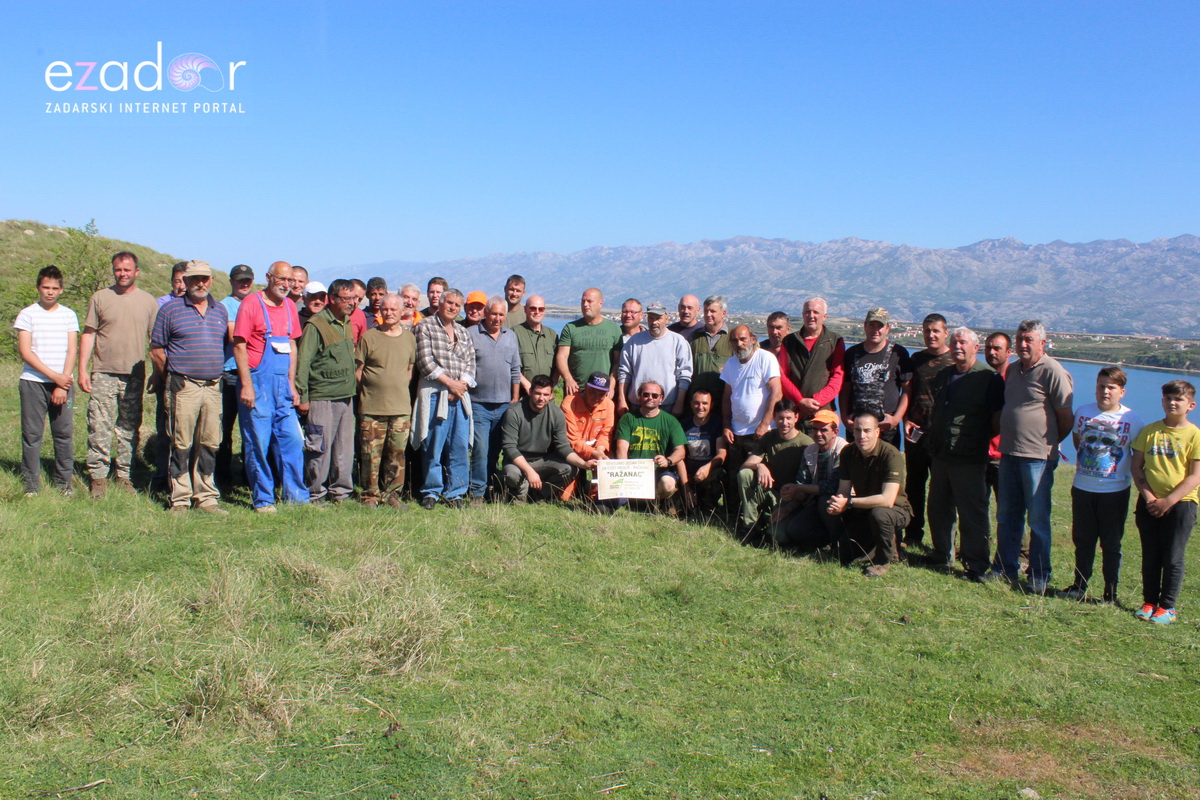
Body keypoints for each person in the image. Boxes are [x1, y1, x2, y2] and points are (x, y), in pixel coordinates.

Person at [989, 319, 1074, 593]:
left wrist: (1048, 444)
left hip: (1037, 458)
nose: (1023, 344)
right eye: (1020, 339)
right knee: (1007, 516)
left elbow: (1065, 416)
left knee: (1037, 519)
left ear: (1042, 343)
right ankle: (1004, 568)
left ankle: (1038, 573)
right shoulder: (1014, 370)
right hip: (1009, 454)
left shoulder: (1053, 371)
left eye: (1029, 340)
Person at [923, 328, 1006, 580]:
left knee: (972, 512)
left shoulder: (988, 378)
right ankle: (942, 554)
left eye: (963, 342)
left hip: (969, 456)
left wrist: (974, 438)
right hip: (941, 453)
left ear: (975, 347)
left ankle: (976, 563)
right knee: (938, 507)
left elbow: (997, 420)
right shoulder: (945, 375)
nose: (957, 346)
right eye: (954, 342)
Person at [1057, 367, 1144, 603]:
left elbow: (1138, 454)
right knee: (1083, 540)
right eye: (1101, 386)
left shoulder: (1132, 419)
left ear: (1122, 392)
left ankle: (1110, 592)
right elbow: (1078, 442)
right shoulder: (1084, 412)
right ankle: (1079, 585)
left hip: (1114, 492)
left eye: (1111, 387)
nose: (1105, 391)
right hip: (1083, 488)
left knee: (1111, 544)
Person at [149, 260, 229, 514]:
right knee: (181, 442)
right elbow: (157, 349)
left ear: (211, 280)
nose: (200, 283)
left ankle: (206, 497)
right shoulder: (170, 310)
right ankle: (180, 498)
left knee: (210, 442)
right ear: (185, 281)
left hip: (213, 386)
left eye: (204, 278)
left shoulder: (220, 311)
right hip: (183, 385)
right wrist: (169, 377)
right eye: (194, 279)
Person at [79, 251, 160, 498]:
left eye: (127, 270)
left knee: (129, 427)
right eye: (118, 269)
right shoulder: (100, 297)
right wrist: (82, 369)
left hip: (134, 374)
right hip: (103, 372)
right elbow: (89, 333)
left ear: (136, 271)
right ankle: (98, 477)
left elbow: (155, 341)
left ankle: (124, 474)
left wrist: (157, 372)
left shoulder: (148, 302)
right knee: (99, 425)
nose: (122, 274)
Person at [232, 261, 309, 512]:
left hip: (282, 385)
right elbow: (239, 345)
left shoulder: (289, 306)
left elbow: (292, 346)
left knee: (292, 440)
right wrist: (246, 385)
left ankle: (296, 496)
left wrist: (292, 384)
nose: (286, 285)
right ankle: (263, 499)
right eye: (281, 279)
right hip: (258, 383)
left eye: (290, 280)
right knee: (258, 442)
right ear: (268, 277)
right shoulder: (251, 304)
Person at [1131, 380, 1200, 625]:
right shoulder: (1150, 431)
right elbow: (1136, 467)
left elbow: (1195, 476)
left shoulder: (1195, 435)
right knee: (1151, 554)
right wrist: (1150, 497)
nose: (1172, 403)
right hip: (1149, 502)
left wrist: (1169, 501)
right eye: (1168, 398)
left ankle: (1167, 607)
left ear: (1190, 405)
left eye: (1178, 399)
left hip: (1181, 505)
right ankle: (1149, 602)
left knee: (1172, 557)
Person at [825, 410, 913, 576]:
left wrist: (849, 502)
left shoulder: (890, 454)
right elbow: (843, 490)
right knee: (843, 556)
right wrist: (837, 504)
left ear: (877, 432)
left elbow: (887, 500)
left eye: (867, 431)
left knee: (879, 514)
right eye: (857, 430)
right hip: (863, 508)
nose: (862, 436)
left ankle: (883, 561)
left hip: (895, 509)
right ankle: (875, 546)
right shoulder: (848, 452)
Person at [15, 265, 78, 496]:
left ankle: (63, 484)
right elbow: (26, 352)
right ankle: (31, 485)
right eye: (45, 287)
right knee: (32, 435)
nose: (50, 292)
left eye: (54, 288)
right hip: (33, 382)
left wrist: (62, 382)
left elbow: (72, 350)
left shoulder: (69, 315)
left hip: (64, 384)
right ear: (38, 288)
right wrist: (54, 377)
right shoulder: (27, 314)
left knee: (63, 435)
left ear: (61, 290)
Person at [296, 278, 358, 504]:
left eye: (353, 299)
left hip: (345, 395)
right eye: (345, 299)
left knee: (344, 448)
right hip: (322, 396)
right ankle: (316, 492)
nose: (350, 303)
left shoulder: (346, 322)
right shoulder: (316, 326)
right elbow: (303, 363)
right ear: (332, 299)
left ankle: (340, 491)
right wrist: (303, 397)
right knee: (319, 447)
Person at [413, 289, 476, 509]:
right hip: (435, 393)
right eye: (449, 302)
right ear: (440, 303)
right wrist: (450, 383)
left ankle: (456, 492)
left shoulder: (463, 332)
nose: (452, 307)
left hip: (459, 396)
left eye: (457, 305)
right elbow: (425, 361)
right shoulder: (425, 326)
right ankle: (431, 491)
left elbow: (471, 363)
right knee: (433, 444)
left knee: (459, 445)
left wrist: (460, 386)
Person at [355, 293, 416, 509]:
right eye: (385, 309)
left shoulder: (409, 338)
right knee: (370, 455)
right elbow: (358, 371)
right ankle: (370, 495)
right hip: (372, 407)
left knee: (397, 454)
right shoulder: (369, 338)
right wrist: (370, 391)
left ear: (402, 311)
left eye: (393, 309)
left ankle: (392, 495)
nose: (389, 313)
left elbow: (409, 369)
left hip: (400, 408)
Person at [901, 313, 955, 548]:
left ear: (946, 333)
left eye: (935, 331)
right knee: (914, 486)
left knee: (942, 490)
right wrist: (905, 418)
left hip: (943, 436)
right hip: (917, 435)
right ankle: (913, 535)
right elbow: (907, 392)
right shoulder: (916, 359)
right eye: (927, 331)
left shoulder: (954, 360)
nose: (931, 335)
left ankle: (944, 542)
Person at [501, 374, 595, 502]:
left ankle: (538, 495)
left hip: (543, 460)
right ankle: (520, 492)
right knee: (512, 474)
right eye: (537, 393)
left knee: (570, 469)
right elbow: (509, 448)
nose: (541, 398)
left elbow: (563, 447)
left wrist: (584, 464)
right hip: (518, 460)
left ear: (551, 395)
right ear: (530, 392)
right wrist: (529, 471)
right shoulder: (514, 412)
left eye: (545, 395)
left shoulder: (556, 413)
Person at [734, 399, 814, 542]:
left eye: (788, 418)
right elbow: (745, 466)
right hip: (772, 491)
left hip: (793, 497)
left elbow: (809, 488)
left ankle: (772, 524)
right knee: (745, 474)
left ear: (796, 417)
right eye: (780, 418)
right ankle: (750, 526)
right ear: (774, 418)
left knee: (778, 537)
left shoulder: (806, 444)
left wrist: (788, 508)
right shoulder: (769, 437)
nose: (784, 423)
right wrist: (760, 466)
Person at [467, 297, 521, 505]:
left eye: (501, 314)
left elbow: (515, 369)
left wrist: (514, 398)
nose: (497, 318)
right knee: (480, 450)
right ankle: (477, 493)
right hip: (479, 403)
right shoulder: (472, 334)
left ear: (505, 316)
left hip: (504, 405)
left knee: (495, 450)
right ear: (485, 313)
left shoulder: (510, 336)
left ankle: (491, 487)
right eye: (493, 313)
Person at [769, 409, 848, 551]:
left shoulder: (844, 450)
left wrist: (799, 488)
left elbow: (831, 487)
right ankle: (824, 541)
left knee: (826, 501)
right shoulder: (810, 451)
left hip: (842, 505)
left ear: (835, 432)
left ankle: (839, 543)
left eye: (824, 430)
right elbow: (802, 483)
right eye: (815, 429)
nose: (818, 434)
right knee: (794, 529)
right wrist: (790, 499)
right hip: (813, 503)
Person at [839, 307, 911, 446]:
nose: (875, 330)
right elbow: (845, 388)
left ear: (887, 328)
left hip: (886, 428)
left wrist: (896, 419)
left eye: (880, 326)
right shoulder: (852, 353)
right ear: (865, 326)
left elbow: (907, 390)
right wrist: (844, 417)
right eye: (872, 325)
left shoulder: (898, 353)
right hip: (857, 427)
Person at [613, 380, 689, 511]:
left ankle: (654, 502)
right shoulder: (628, 418)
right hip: (633, 472)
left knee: (668, 484)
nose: (650, 398)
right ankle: (637, 500)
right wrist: (625, 471)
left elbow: (680, 451)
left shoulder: (671, 421)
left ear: (661, 398)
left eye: (655, 395)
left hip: (659, 472)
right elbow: (621, 447)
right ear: (639, 396)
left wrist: (668, 460)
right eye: (646, 394)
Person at [720, 325, 782, 478]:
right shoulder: (730, 364)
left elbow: (776, 393)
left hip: (760, 433)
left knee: (759, 477)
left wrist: (764, 425)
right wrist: (727, 425)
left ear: (753, 340)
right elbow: (726, 397)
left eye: (743, 339)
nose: (739, 344)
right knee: (735, 477)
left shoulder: (765, 358)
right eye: (735, 341)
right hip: (736, 433)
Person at [616, 302, 692, 417]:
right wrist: (621, 399)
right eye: (651, 318)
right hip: (637, 405)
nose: (654, 322)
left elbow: (684, 375)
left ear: (667, 319)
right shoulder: (634, 341)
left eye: (658, 318)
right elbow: (624, 372)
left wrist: (679, 403)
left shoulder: (678, 341)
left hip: (667, 406)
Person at [779, 296, 845, 429]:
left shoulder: (835, 341)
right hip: (794, 411)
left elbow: (837, 377)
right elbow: (782, 375)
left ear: (824, 316)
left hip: (822, 411)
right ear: (803, 314)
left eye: (816, 312)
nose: (811, 316)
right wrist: (800, 400)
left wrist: (817, 401)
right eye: (807, 312)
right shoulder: (789, 341)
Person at [216, 264, 254, 489]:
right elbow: (233, 335)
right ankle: (223, 476)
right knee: (225, 428)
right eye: (240, 280)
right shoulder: (226, 306)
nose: (244, 284)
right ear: (231, 281)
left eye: (247, 280)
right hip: (230, 372)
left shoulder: (256, 303)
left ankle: (249, 476)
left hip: (252, 372)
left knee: (251, 428)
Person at [555, 287, 622, 396]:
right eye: (583, 301)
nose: (585, 304)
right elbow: (561, 357)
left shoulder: (614, 329)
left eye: (589, 301)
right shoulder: (571, 328)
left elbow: (617, 362)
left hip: (602, 391)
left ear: (600, 303)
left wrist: (611, 385)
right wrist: (568, 379)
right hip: (576, 390)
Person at [561, 370, 616, 501]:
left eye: (601, 394)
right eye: (592, 392)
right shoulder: (569, 402)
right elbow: (572, 439)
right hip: (572, 452)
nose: (596, 397)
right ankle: (579, 483)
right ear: (585, 387)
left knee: (601, 493)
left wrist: (600, 452)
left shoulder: (609, 404)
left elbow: (606, 433)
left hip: (597, 450)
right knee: (564, 497)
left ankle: (594, 493)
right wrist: (593, 453)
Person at [680, 388, 728, 517]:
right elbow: (679, 456)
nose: (700, 407)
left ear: (711, 405)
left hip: (708, 471)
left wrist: (708, 467)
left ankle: (709, 509)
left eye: (705, 403)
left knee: (719, 474)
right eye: (696, 403)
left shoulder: (717, 423)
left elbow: (721, 454)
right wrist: (685, 486)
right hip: (688, 472)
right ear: (691, 404)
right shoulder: (684, 424)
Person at [689, 296, 735, 410]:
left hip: (722, 402)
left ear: (723, 313)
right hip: (697, 404)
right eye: (706, 311)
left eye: (713, 311)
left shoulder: (733, 337)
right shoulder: (694, 337)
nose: (708, 314)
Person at [983, 331, 1013, 499]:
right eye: (988, 348)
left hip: (1004, 457)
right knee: (977, 506)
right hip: (980, 454)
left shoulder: (1015, 381)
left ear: (1009, 352)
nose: (991, 352)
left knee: (1007, 506)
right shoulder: (980, 378)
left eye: (997, 348)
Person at [514, 295, 558, 394]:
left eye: (541, 309)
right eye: (533, 308)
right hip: (523, 394)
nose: (537, 312)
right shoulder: (515, 333)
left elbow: (558, 366)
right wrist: (527, 385)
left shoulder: (552, 335)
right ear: (525, 309)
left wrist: (550, 388)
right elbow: (510, 364)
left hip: (546, 396)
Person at [348, 278, 368, 343]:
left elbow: (361, 343)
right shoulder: (331, 310)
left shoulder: (360, 315)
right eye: (354, 296)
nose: (356, 301)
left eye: (359, 299)